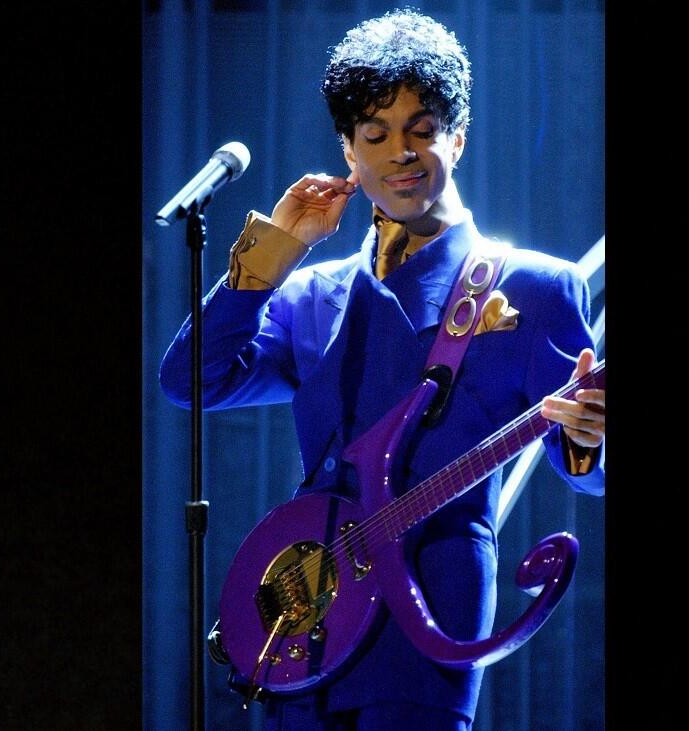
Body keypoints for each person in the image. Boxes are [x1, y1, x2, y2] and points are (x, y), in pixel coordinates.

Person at [160, 10, 605, 730]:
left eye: (422, 129)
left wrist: (589, 433)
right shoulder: (311, 293)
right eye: (376, 134)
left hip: (424, 616)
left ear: (458, 137)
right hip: (304, 614)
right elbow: (189, 381)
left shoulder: (535, 285)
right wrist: (275, 251)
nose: (401, 152)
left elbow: (587, 464)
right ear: (348, 150)